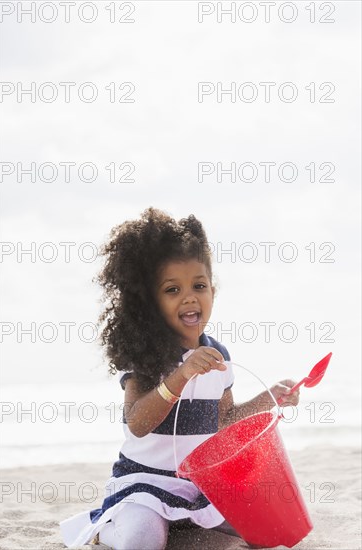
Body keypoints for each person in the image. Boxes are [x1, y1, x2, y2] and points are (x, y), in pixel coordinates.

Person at [60, 207, 299, 549]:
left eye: (199, 285)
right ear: (151, 303)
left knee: (261, 529)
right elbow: (137, 423)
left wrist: (270, 398)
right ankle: (105, 527)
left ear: (212, 292)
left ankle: (179, 522)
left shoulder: (219, 356)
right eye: (172, 290)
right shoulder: (145, 357)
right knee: (143, 540)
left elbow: (223, 420)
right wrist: (182, 374)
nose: (189, 296)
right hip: (143, 484)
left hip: (198, 487)